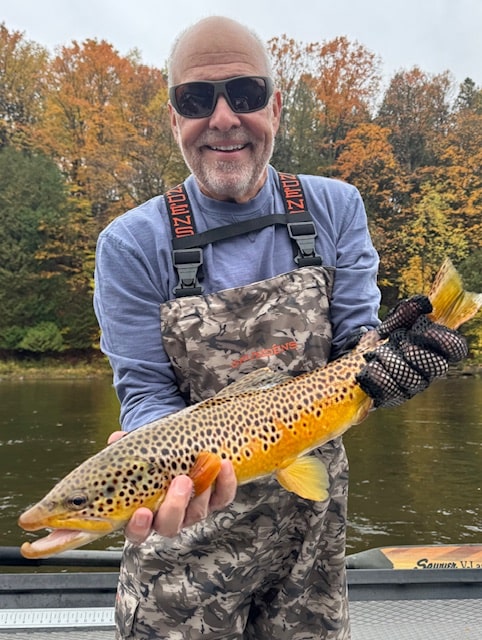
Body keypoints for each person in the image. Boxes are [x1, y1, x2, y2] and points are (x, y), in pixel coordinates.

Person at [93, 16, 466, 640]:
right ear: (174, 118)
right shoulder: (130, 244)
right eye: (196, 99)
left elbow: (354, 346)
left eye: (244, 94)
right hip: (184, 543)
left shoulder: (335, 206)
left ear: (276, 106)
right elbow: (146, 393)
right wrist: (161, 465)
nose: (223, 119)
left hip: (311, 542)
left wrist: (393, 358)